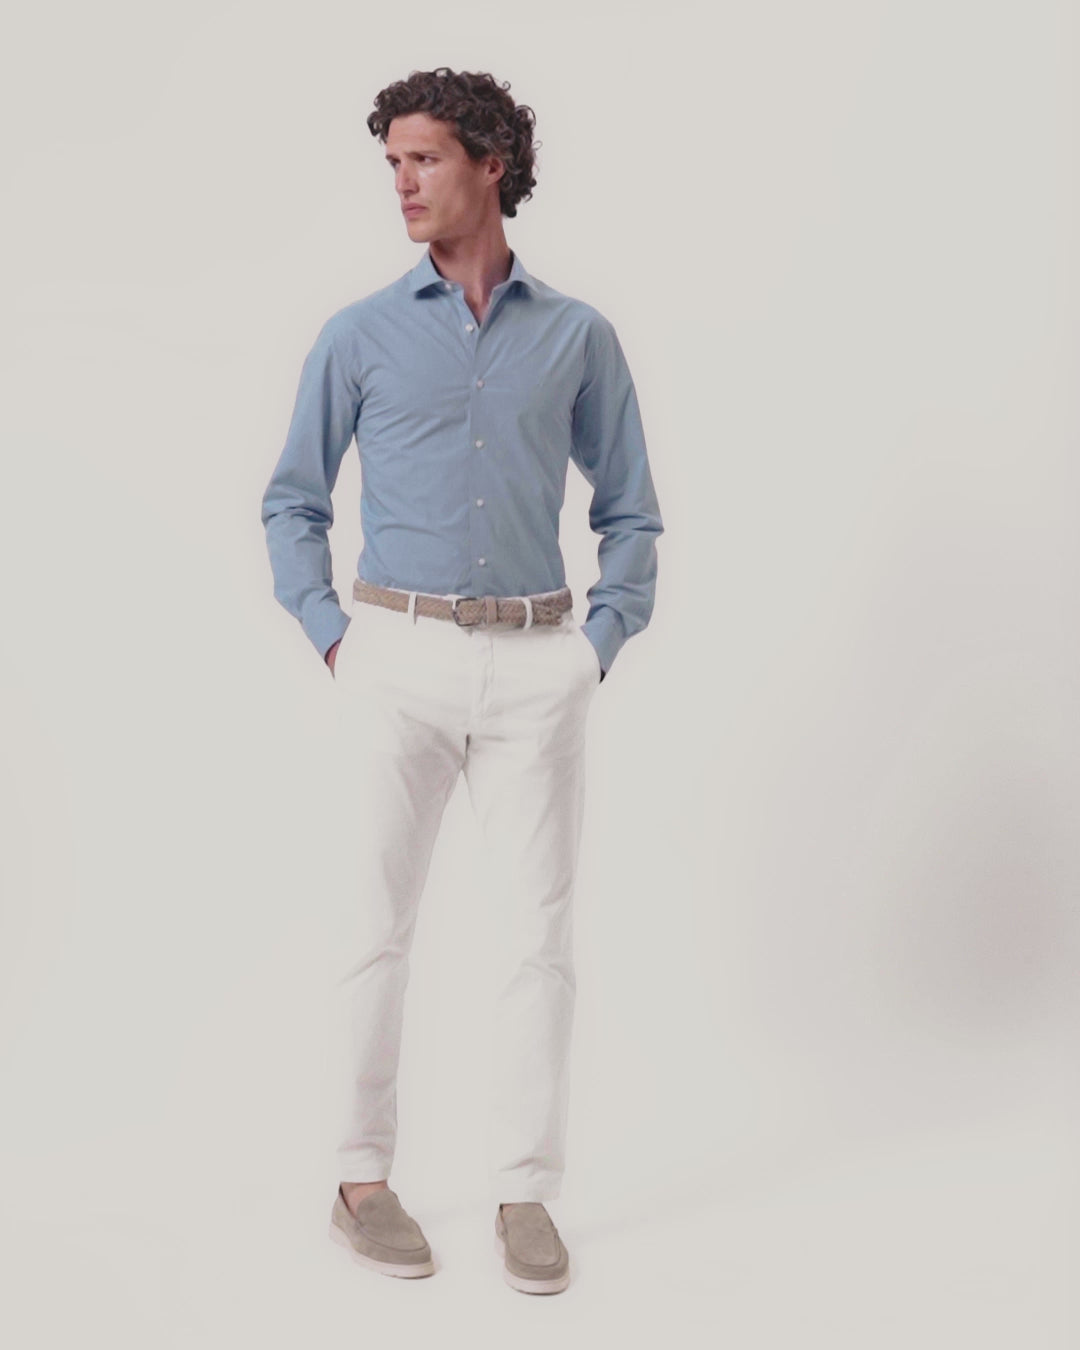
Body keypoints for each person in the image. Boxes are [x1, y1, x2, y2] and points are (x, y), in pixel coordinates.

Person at [260, 66, 663, 1295]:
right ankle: (359, 1179)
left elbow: (632, 512)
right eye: (392, 162)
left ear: (492, 163)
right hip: (397, 654)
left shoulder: (578, 336)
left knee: (539, 938)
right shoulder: (360, 335)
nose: (402, 183)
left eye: (424, 158)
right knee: (372, 928)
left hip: (540, 662)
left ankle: (524, 1193)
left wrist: (596, 646)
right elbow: (292, 500)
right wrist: (336, 636)